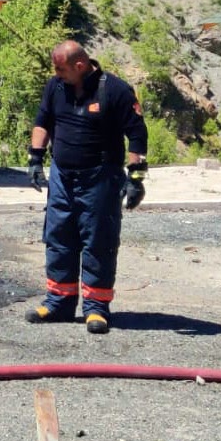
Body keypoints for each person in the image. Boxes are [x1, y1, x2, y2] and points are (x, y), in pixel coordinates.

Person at [26, 40, 148, 335]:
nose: (56, 74)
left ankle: (96, 308)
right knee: (58, 237)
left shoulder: (116, 90)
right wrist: (35, 158)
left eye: (61, 68)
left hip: (100, 178)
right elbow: (43, 121)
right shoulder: (55, 87)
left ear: (80, 66)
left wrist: (136, 179)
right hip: (62, 176)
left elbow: (137, 134)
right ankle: (59, 302)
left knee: (98, 242)